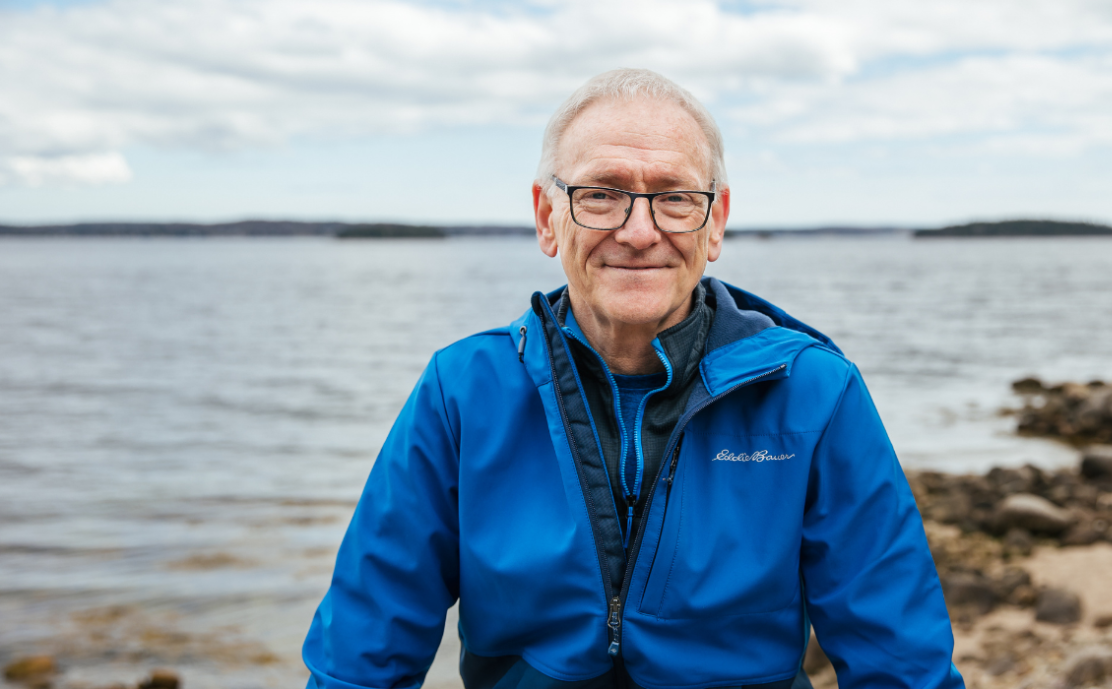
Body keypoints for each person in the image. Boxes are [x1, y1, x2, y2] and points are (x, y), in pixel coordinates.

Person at [302, 68, 964, 689]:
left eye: (675, 198)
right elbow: (364, 648)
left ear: (715, 223)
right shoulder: (463, 390)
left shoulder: (814, 392)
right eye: (601, 194)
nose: (640, 231)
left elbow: (900, 658)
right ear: (546, 217)